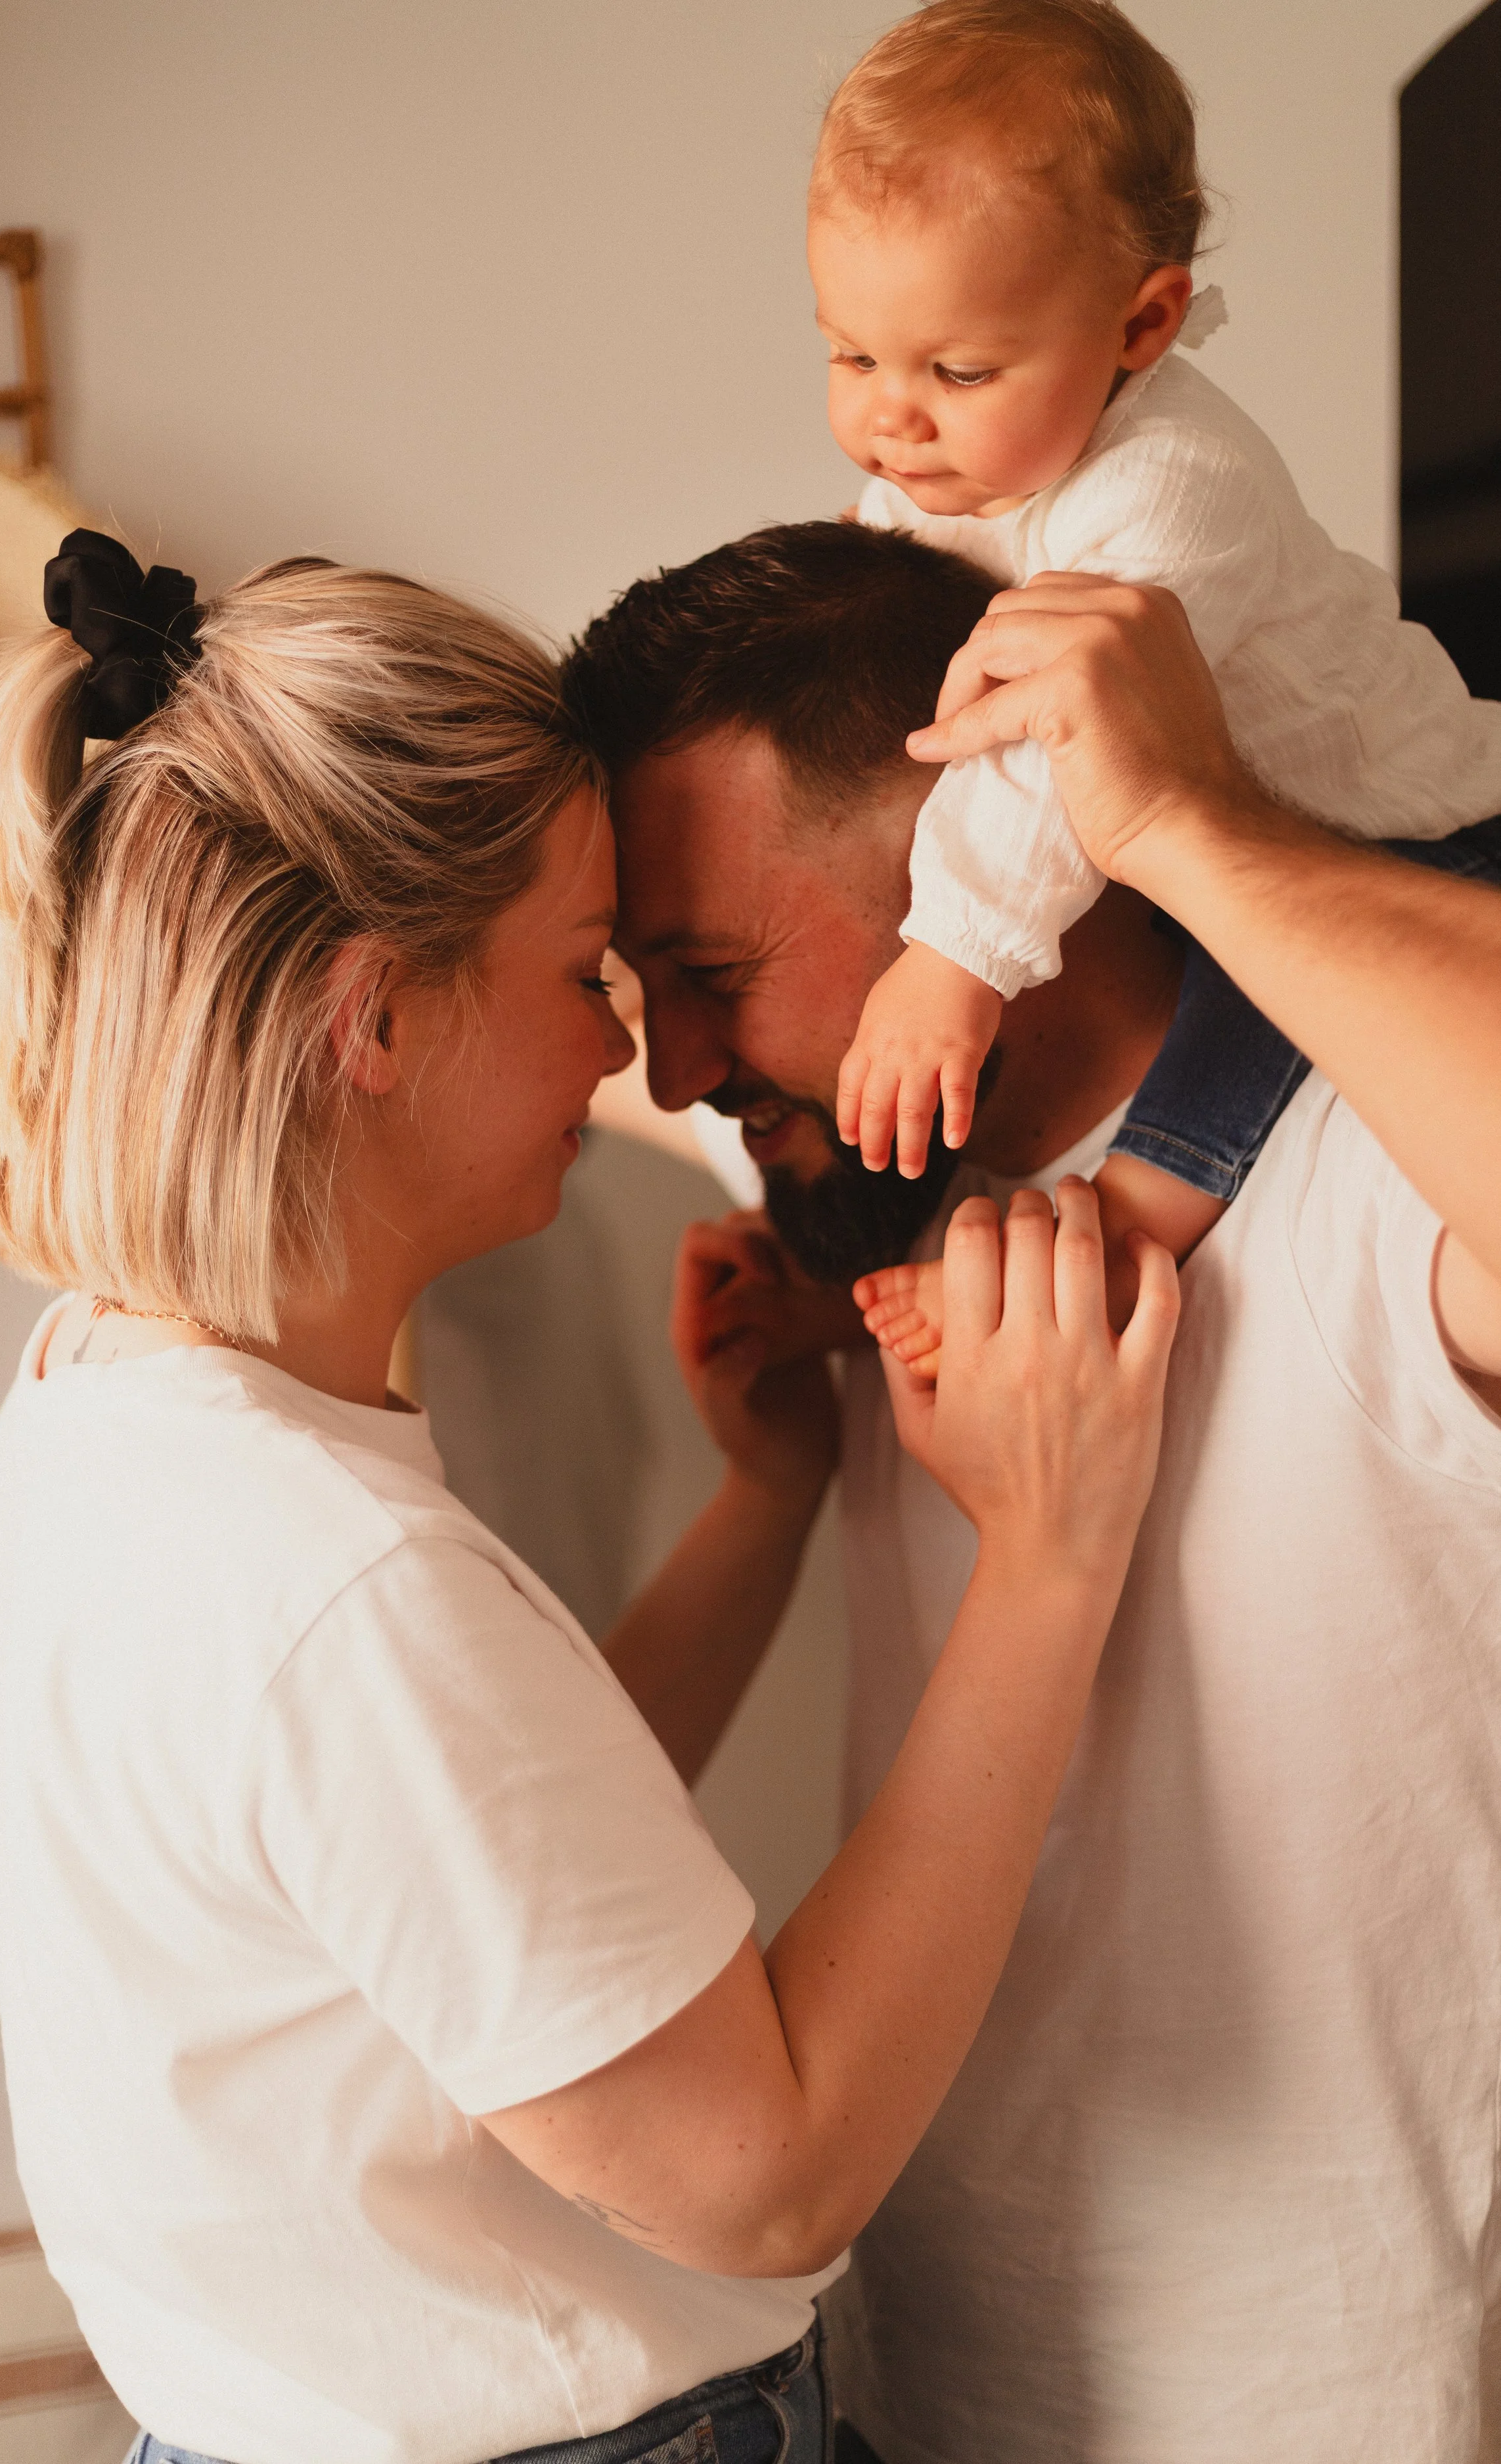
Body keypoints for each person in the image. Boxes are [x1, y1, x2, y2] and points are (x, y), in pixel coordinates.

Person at [0, 530, 1177, 2464]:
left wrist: (760, 1503)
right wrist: (1045, 1556)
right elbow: (766, 2179)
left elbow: (488, 1879)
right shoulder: (325, 1574)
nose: (634, 1053)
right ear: (374, 1020)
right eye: (578, 970)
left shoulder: (110, 1406)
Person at [560, 518, 1501, 2461]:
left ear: (970, 880)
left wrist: (1174, 815)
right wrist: (784, 1466)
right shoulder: (904, 1209)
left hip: (1314, 2400)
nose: (672, 1069)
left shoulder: (1363, 1171)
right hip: (917, 2372)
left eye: (710, 971)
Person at [809, 0, 1501, 1330]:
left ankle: (1134, 1222)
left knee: (1256, 991)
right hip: (1232, 827)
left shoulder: (1174, 485)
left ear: (1139, 327)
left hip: (1422, 838)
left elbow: (1044, 747)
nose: (887, 415)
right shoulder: (949, 455)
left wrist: (952, 957)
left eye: (954, 367)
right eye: (848, 353)